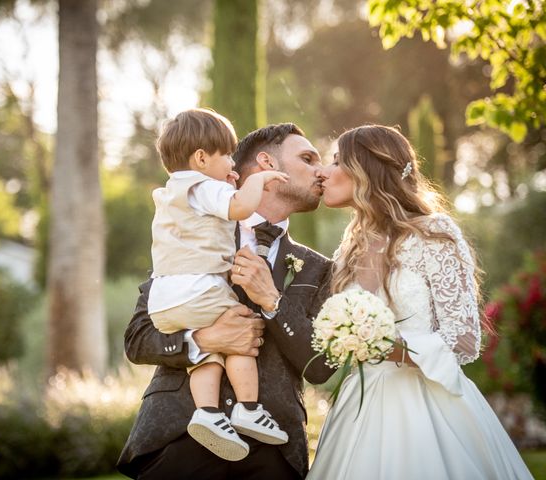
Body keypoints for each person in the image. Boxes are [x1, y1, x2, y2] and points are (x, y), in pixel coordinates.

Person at [307, 124, 533, 480]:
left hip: (428, 404)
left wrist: (390, 346)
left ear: (365, 169)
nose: (323, 170)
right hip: (360, 405)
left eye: (337, 160)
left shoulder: (433, 233)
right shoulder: (348, 248)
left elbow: (463, 338)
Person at [117, 123, 334, 480]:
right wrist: (202, 342)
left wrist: (273, 301)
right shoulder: (191, 230)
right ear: (267, 164)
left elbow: (320, 368)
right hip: (178, 436)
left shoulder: (318, 269)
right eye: (308, 158)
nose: (320, 171)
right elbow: (138, 338)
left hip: (272, 454)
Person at [147, 108, 291, 461]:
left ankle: (208, 414)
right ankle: (248, 408)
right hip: (200, 287)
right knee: (240, 333)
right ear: (200, 158)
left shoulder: (172, 194)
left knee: (207, 355)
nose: (231, 162)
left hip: (164, 300)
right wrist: (257, 180)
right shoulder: (204, 185)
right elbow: (240, 207)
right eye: (226, 155)